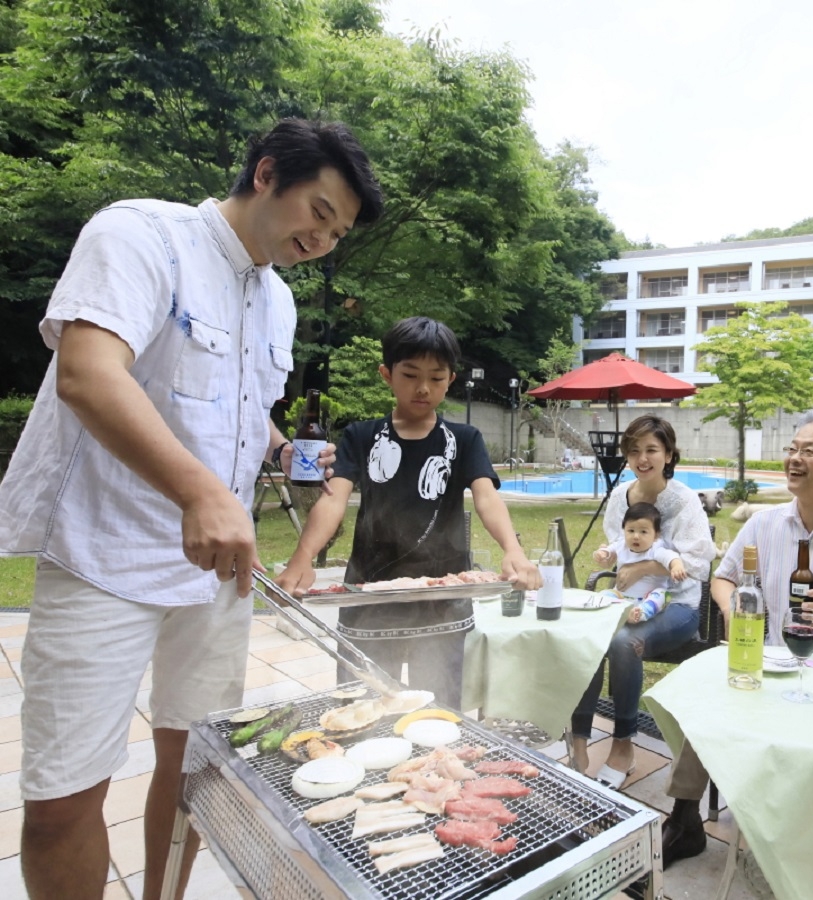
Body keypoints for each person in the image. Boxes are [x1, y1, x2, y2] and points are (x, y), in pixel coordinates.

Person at [0, 119, 383, 900]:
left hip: (215, 573)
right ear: (268, 173)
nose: (323, 240)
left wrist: (280, 449)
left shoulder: (276, 300)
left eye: (337, 232)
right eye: (319, 212)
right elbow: (86, 371)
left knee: (197, 767)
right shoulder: (141, 234)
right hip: (102, 553)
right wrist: (202, 490)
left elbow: (241, 404)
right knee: (63, 793)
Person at [660, 409, 813, 868]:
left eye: (809, 451)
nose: (794, 458)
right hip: (775, 668)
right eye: (792, 449)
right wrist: (732, 607)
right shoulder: (765, 524)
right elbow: (724, 578)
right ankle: (684, 819)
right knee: (707, 700)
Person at [276, 317, 539, 709]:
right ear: (387, 374)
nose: (423, 388)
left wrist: (512, 549)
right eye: (411, 374)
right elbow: (334, 498)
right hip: (368, 599)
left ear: (450, 379)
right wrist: (303, 557)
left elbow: (486, 497)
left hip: (441, 602)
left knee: (435, 714)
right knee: (361, 710)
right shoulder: (361, 436)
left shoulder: (464, 440)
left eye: (436, 377)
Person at [571, 415, 717, 789]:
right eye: (634, 450)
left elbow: (699, 564)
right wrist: (612, 560)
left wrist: (648, 567)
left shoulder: (683, 501)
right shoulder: (621, 496)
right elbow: (618, 548)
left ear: (668, 454)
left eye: (652, 449)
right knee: (585, 633)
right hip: (627, 601)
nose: (643, 458)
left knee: (623, 642)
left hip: (678, 607)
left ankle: (623, 745)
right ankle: (580, 738)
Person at [592, 501, 687, 623]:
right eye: (631, 531)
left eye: (643, 532)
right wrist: (602, 554)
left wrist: (676, 566)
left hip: (647, 598)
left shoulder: (655, 550)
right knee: (605, 594)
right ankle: (618, 611)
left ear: (656, 535)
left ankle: (640, 613)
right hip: (621, 596)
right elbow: (608, 551)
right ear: (624, 530)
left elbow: (671, 556)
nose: (636, 536)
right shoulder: (622, 546)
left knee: (662, 595)